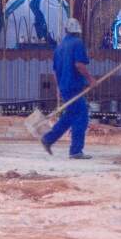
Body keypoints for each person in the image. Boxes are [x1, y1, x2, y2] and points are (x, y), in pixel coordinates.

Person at [40, 17, 96, 160]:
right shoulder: (77, 43)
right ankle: (76, 151)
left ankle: (48, 139)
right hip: (74, 86)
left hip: (65, 87)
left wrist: (59, 87)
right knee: (81, 116)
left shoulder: (59, 47)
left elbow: (55, 70)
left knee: (70, 116)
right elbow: (79, 64)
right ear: (78, 31)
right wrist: (90, 80)